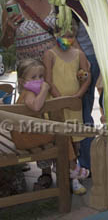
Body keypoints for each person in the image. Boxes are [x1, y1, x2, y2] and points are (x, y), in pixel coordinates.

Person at [15, 58, 88, 194]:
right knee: (62, 135)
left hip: (27, 135)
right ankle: (72, 169)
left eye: (41, 77)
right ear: (22, 81)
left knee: (61, 133)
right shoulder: (28, 94)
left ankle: (70, 168)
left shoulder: (28, 93)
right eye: (34, 77)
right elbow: (36, 106)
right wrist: (45, 89)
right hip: (25, 138)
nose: (39, 80)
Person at [43, 20, 92, 184]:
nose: (66, 39)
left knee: (75, 142)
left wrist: (77, 96)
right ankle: (64, 176)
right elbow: (48, 80)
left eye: (70, 36)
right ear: (55, 34)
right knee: (60, 141)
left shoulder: (79, 54)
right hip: (57, 106)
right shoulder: (49, 54)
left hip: (74, 105)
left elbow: (86, 76)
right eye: (62, 35)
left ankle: (72, 177)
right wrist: (60, 99)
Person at [75, 18, 100, 171]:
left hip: (93, 57)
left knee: (84, 109)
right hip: (84, 58)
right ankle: (87, 162)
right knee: (82, 109)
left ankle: (89, 162)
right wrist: (82, 57)